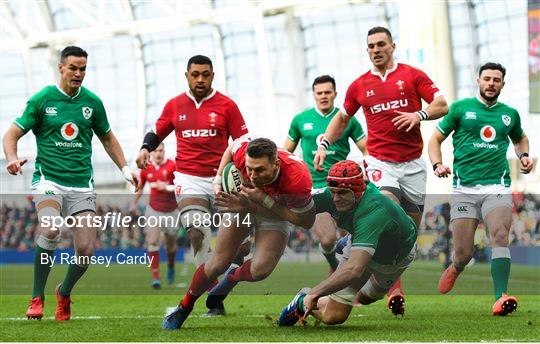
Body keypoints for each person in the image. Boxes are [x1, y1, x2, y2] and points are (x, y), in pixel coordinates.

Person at [313, 26, 449, 315]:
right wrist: (324, 142)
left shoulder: (412, 75)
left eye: (381, 44)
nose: (376, 50)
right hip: (379, 162)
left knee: (406, 232)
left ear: (392, 46)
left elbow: (442, 105)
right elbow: (342, 117)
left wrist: (418, 114)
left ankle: (385, 287)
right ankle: (353, 244)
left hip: (413, 165)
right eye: (371, 46)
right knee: (387, 204)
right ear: (367, 50)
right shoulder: (360, 85)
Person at [2, 46, 139, 321]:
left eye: (83, 69)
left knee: (86, 250)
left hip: (81, 185)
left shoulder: (92, 103)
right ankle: (37, 297)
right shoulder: (42, 99)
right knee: (51, 229)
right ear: (61, 68)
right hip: (49, 181)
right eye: (73, 68)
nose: (78, 74)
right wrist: (12, 158)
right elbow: (12, 133)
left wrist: (124, 168)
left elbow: (108, 137)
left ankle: (63, 292)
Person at [161, 137, 316, 330]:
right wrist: (218, 179)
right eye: (249, 169)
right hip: (243, 204)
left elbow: (305, 221)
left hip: (274, 213)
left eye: (259, 170)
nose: (252, 175)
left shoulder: (298, 180)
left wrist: (263, 201)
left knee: (260, 271)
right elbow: (231, 147)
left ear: (276, 164)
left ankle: (233, 277)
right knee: (217, 263)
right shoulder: (244, 154)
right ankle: (184, 307)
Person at [136, 55, 249, 315]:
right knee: (197, 233)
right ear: (186, 75)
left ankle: (227, 276)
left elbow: (242, 142)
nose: (200, 79)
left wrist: (243, 175)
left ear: (212, 75)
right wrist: (145, 148)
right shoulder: (175, 105)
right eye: (195, 74)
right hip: (189, 180)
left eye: (205, 74)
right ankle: (214, 298)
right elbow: (157, 132)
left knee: (241, 246)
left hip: (222, 181)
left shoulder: (227, 106)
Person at [428, 62, 533, 316]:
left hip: (497, 185)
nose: (491, 83)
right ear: (478, 81)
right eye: (487, 79)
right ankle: (457, 266)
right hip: (464, 189)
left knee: (499, 235)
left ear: (502, 84)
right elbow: (435, 140)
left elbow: (520, 138)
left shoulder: (509, 114)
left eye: (496, 80)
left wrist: (524, 155)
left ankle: (500, 298)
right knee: (464, 253)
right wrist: (437, 164)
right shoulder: (460, 108)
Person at [277, 160, 417, 326]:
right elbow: (292, 205)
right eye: (333, 192)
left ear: (358, 191)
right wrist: (258, 202)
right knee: (333, 316)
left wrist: (315, 294)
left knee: (367, 297)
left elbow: (353, 270)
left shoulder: (374, 211)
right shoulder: (330, 195)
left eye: (342, 192)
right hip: (360, 246)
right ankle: (301, 301)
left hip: (395, 259)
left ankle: (311, 296)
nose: (336, 198)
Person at [284, 75, 366, 274]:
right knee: (328, 239)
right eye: (319, 93)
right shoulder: (300, 120)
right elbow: (286, 153)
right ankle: (332, 264)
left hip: (343, 189)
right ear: (313, 95)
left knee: (351, 240)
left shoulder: (347, 120)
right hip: (314, 187)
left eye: (327, 92)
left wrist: (367, 169)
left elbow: (366, 148)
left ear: (335, 94)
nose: (323, 96)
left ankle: (349, 282)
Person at [130, 143, 178, 289]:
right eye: (156, 151)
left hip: (171, 210)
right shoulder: (147, 167)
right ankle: (155, 277)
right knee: (152, 241)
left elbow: (182, 185)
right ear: (150, 153)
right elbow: (140, 187)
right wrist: (134, 203)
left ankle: (170, 265)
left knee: (170, 246)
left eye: (161, 150)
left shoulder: (172, 166)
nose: (158, 154)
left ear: (164, 151)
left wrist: (168, 187)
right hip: (153, 209)